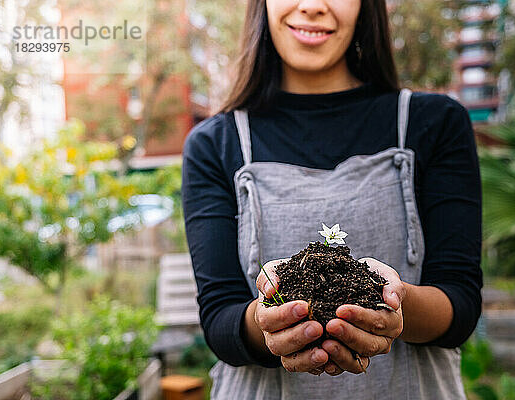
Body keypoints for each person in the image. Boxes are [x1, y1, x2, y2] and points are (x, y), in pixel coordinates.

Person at [181, 0, 482, 399]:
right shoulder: (214, 144)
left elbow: (459, 305)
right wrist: (272, 320)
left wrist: (397, 302)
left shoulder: (435, 123)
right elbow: (221, 321)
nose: (312, 6)